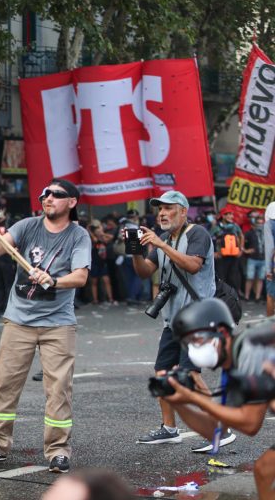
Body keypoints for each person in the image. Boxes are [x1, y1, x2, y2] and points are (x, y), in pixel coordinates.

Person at [0, 178, 91, 474]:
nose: (48, 198)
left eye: (56, 195)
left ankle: (58, 450)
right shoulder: (27, 226)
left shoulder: (78, 236)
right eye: (45, 193)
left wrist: (54, 281)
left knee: (59, 389)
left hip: (58, 324)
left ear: (72, 203)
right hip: (19, 320)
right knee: (5, 384)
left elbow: (80, 277)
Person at [131, 190, 226, 450]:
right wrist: (136, 252)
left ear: (183, 212)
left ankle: (221, 429)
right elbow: (144, 272)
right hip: (173, 320)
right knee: (163, 372)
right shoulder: (162, 238)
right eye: (159, 209)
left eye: (168, 208)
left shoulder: (197, 234)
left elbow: (193, 265)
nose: (161, 213)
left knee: (190, 374)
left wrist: (160, 245)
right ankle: (169, 428)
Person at [163, 299, 275, 498]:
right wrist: (179, 403)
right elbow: (214, 431)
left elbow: (250, 424)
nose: (192, 350)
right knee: (265, 470)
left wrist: (195, 398)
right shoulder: (232, 367)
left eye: (196, 341)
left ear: (221, 333)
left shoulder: (251, 349)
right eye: (187, 344)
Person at [214, 207, 244, 294]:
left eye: (231, 214)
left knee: (234, 278)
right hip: (221, 257)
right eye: (228, 214)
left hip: (234, 256)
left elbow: (241, 236)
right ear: (223, 216)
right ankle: (222, 296)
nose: (231, 216)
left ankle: (234, 296)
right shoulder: (216, 227)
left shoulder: (235, 226)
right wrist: (214, 252)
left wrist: (241, 249)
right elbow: (209, 239)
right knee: (221, 278)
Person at [244, 212, 265, 303]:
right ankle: (247, 296)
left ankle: (257, 297)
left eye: (262, 223)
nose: (260, 225)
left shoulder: (266, 233)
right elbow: (242, 242)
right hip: (252, 258)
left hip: (263, 259)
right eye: (258, 223)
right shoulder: (249, 233)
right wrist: (245, 250)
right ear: (254, 224)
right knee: (250, 278)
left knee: (260, 278)